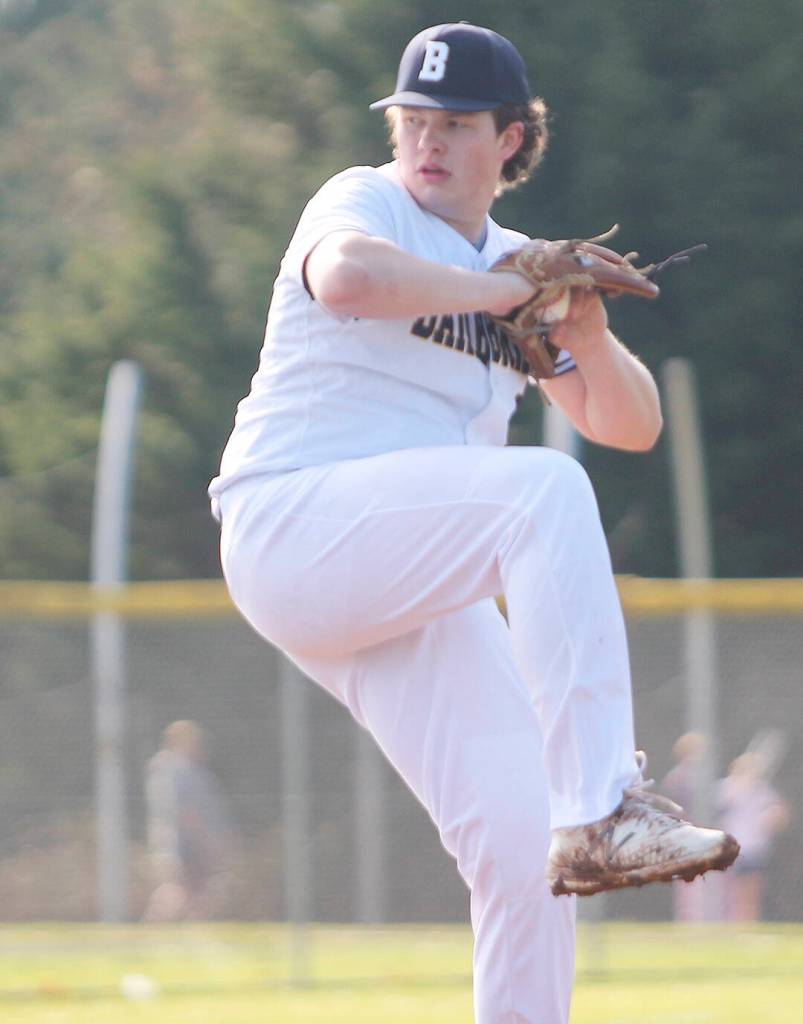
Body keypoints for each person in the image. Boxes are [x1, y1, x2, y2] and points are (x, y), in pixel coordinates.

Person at [209, 23, 737, 1022]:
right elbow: (347, 280)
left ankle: (576, 826)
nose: (425, 141)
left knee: (523, 851)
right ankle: (604, 808)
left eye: (453, 122)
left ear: (509, 139)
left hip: (407, 577)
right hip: (294, 523)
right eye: (411, 119)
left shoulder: (516, 264)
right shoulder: (363, 202)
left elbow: (628, 424)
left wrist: (578, 325)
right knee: (541, 493)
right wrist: (512, 293)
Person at [143, 720, 235, 922]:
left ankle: (188, 932)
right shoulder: (176, 770)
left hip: (185, 843)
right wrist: (205, 841)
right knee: (179, 889)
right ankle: (155, 927)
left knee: (193, 891)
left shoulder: (186, 770)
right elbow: (185, 811)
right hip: (183, 844)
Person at [717, 750, 791, 922]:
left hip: (755, 848)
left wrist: (774, 817)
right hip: (730, 848)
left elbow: (779, 813)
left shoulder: (763, 790)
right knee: (730, 892)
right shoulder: (725, 788)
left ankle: (748, 925)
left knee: (751, 891)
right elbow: (716, 812)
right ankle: (731, 924)